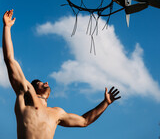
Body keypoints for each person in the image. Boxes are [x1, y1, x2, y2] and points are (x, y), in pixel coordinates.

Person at [2, 9, 121, 139]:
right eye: (41, 83)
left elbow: (84, 121)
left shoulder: (57, 113)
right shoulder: (26, 93)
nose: (46, 83)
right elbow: (9, 60)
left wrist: (105, 103)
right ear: (34, 88)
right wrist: (7, 27)